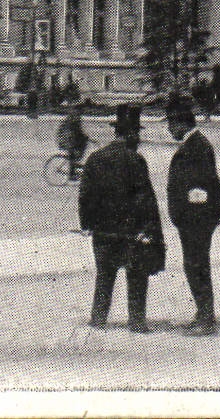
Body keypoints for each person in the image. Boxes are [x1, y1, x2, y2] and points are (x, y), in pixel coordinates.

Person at [78, 104, 164, 333]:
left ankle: (98, 319)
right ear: (132, 134)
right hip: (130, 233)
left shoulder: (95, 158)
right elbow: (146, 200)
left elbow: (85, 195)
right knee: (136, 277)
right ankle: (136, 322)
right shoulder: (135, 160)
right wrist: (151, 230)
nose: (139, 139)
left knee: (104, 276)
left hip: (102, 232)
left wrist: (87, 224)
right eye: (137, 134)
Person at [165, 98, 220, 335]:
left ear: (181, 123)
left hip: (196, 219)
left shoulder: (196, 146)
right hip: (194, 218)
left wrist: (189, 214)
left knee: (196, 265)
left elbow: (203, 185)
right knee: (195, 264)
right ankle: (202, 313)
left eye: (171, 124)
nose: (169, 129)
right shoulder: (195, 144)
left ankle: (205, 318)